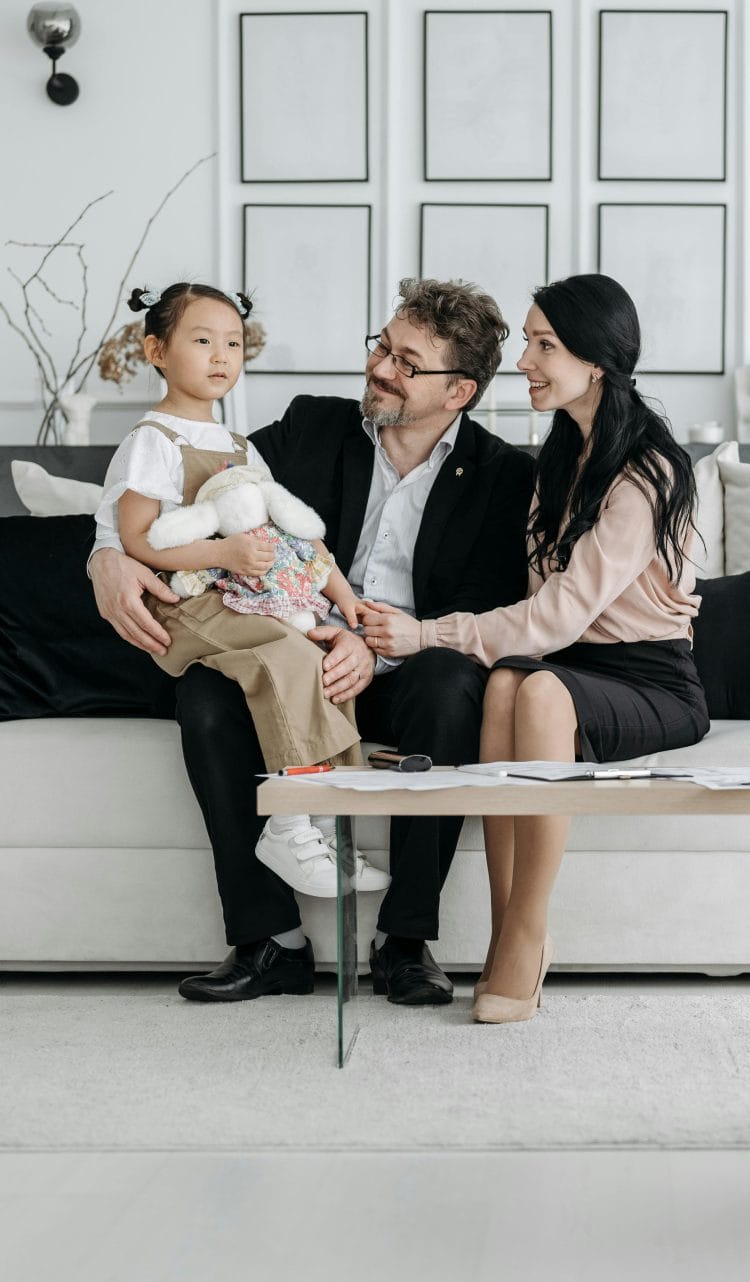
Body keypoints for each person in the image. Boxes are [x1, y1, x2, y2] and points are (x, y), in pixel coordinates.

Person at [91, 278, 535, 1006]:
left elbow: (479, 610)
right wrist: (106, 555)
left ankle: (406, 942)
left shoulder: (503, 476)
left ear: (459, 392)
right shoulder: (310, 427)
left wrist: (374, 643)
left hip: (408, 663)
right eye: (381, 347)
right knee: (205, 691)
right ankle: (269, 943)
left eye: (407, 362)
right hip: (286, 642)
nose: (381, 368)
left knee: (452, 687)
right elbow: (186, 490)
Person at [359, 274, 708, 1025]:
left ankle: (525, 933)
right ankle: (502, 930)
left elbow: (555, 617)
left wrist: (423, 634)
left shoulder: (649, 471)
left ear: (598, 361)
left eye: (544, 344)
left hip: (651, 678)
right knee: (507, 687)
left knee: (536, 686)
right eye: (528, 341)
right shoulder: (558, 459)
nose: (524, 361)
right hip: (570, 669)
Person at [96, 282, 379, 963]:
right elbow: (137, 539)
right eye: (201, 340)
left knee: (311, 660)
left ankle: (323, 823)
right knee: (285, 658)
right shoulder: (152, 440)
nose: (221, 356)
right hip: (189, 606)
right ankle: (287, 823)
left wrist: (344, 600)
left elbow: (288, 531)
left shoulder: (239, 444)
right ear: (156, 350)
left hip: (243, 598)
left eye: (232, 342)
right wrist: (223, 552)